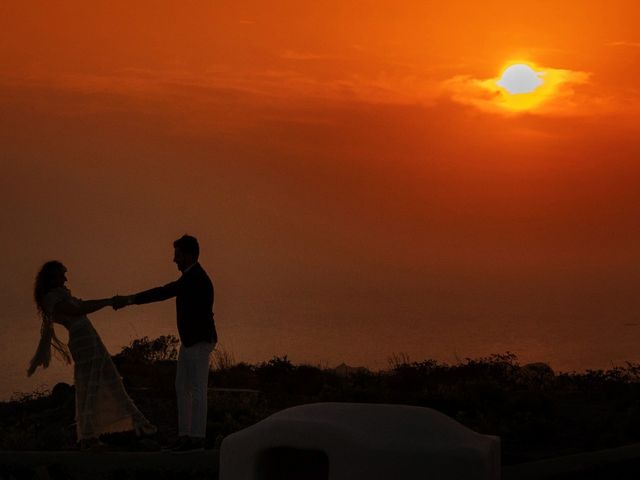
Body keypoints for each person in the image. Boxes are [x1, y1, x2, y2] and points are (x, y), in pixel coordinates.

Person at [28, 261, 157, 450]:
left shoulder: (61, 295)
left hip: (89, 339)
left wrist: (108, 301)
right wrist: (108, 302)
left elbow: (82, 305)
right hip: (83, 343)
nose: (65, 278)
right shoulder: (52, 298)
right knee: (89, 386)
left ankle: (135, 422)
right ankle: (89, 437)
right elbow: (78, 310)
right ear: (53, 277)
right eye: (62, 274)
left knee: (110, 379)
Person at [113, 234, 217, 453]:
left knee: (197, 389)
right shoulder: (192, 277)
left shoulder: (195, 278)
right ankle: (186, 435)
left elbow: (163, 292)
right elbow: (166, 292)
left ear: (188, 255)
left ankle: (196, 437)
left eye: (177, 255)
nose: (174, 260)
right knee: (183, 388)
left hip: (198, 342)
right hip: (190, 341)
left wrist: (130, 300)